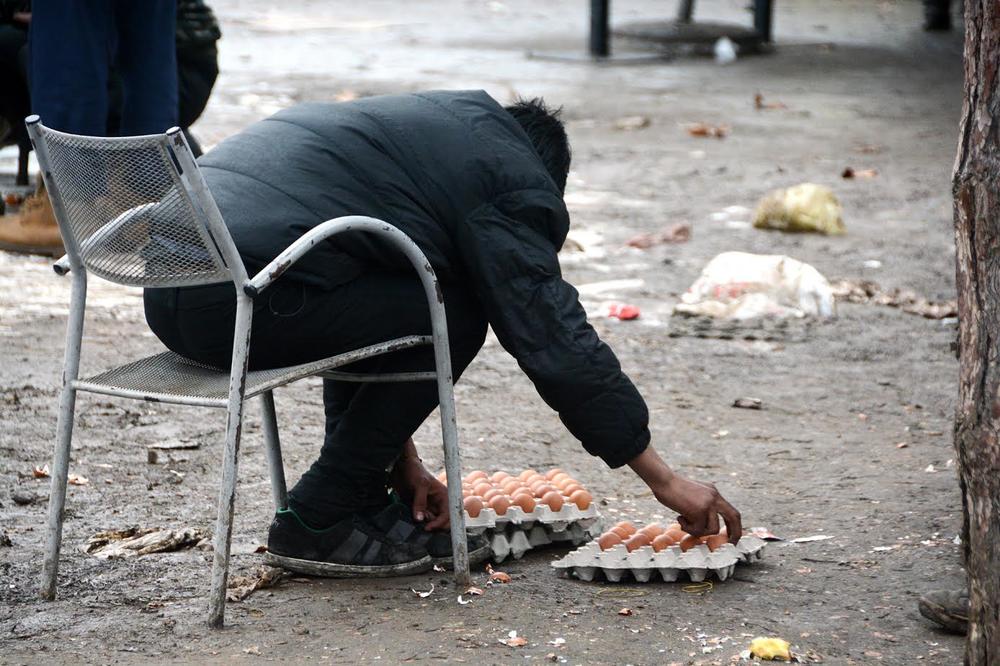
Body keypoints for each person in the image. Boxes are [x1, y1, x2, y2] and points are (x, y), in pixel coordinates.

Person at [142, 91, 743, 576]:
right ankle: (320, 515)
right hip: (241, 306)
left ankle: (360, 495)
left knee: (407, 290)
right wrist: (663, 479)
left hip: (174, 290)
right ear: (545, 177)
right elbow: (552, 335)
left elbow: (363, 294)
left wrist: (400, 457)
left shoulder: (427, 132)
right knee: (454, 315)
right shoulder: (504, 176)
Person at [0, 1, 220, 256]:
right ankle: (142, 205)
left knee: (67, 28)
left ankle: (68, 211)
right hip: (187, 66)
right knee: (148, 36)